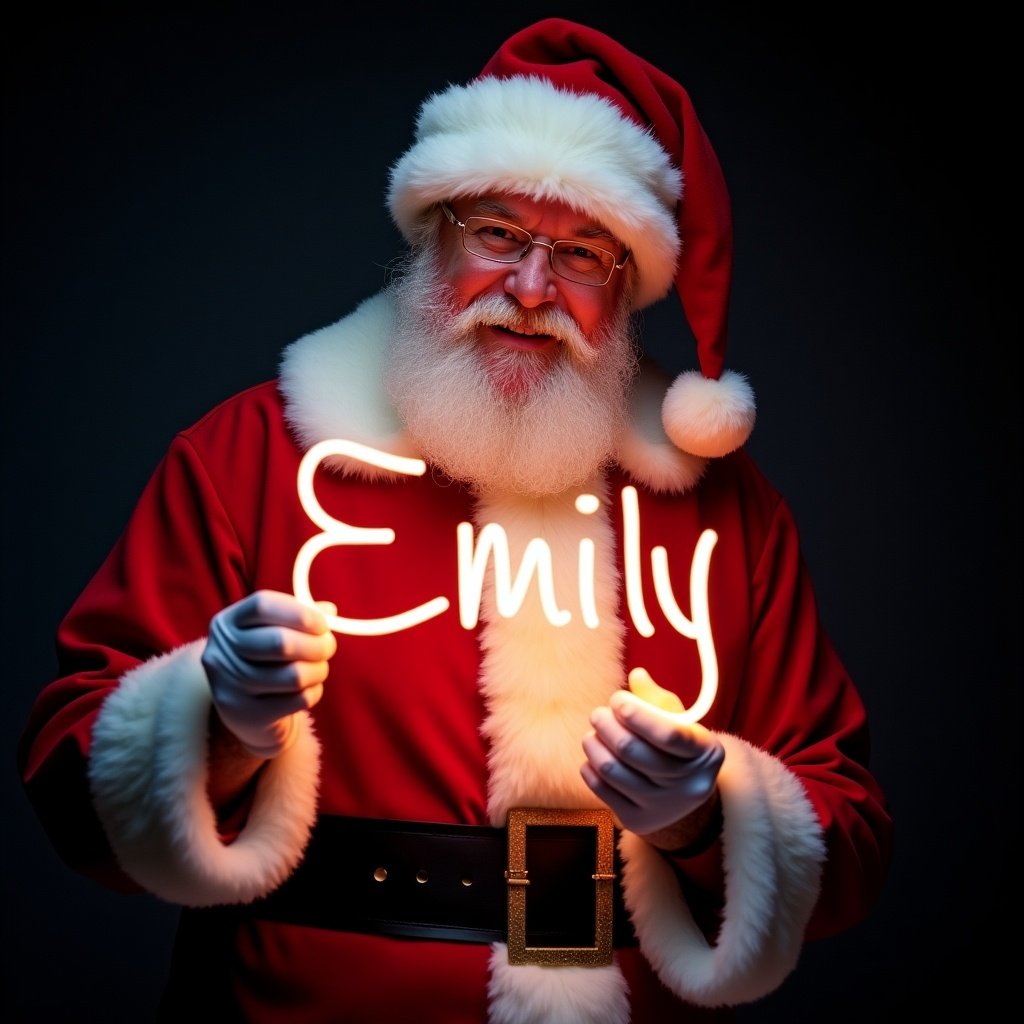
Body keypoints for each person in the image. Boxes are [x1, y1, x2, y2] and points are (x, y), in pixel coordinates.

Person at [16, 17, 892, 1024]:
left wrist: (706, 816)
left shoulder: (723, 511)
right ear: (437, 232)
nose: (529, 289)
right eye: (498, 234)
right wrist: (216, 721)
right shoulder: (252, 454)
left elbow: (852, 843)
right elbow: (68, 790)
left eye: (581, 253)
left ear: (628, 285)